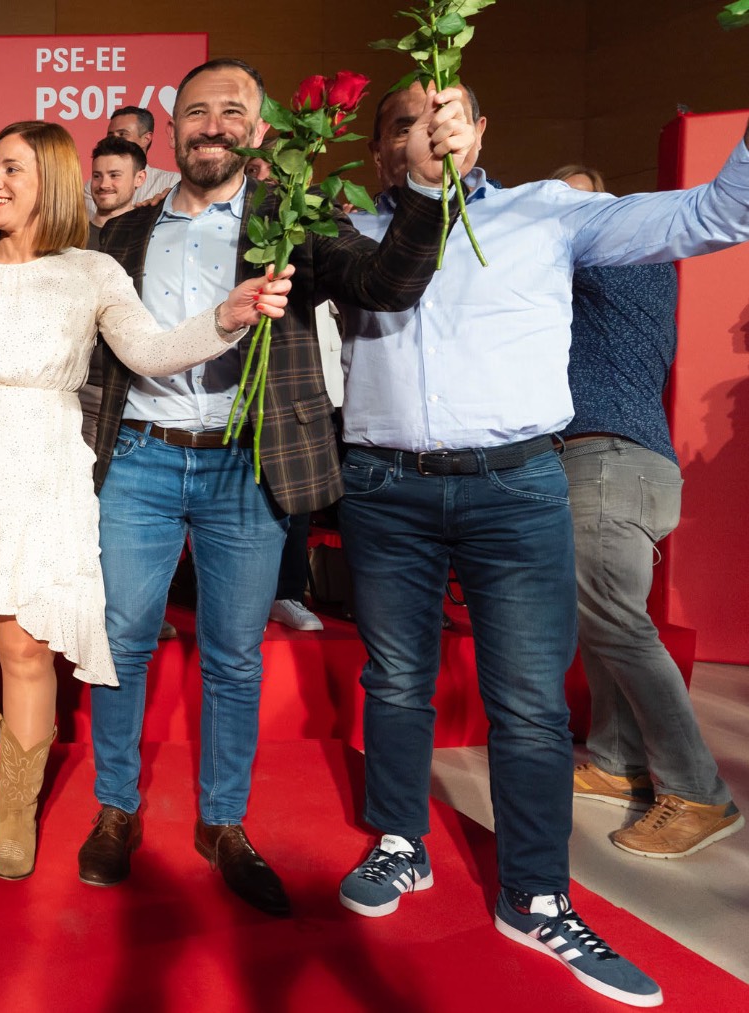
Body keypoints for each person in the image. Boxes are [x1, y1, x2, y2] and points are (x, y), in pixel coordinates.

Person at [333, 81, 749, 1009]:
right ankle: (401, 843)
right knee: (393, 678)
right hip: (384, 486)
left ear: (481, 131)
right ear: (380, 149)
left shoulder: (551, 213)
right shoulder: (350, 237)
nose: (428, 130)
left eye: (447, 116)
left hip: (517, 486)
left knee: (524, 701)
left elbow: (720, 213)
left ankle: (536, 893)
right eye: (404, 121)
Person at [75, 58, 465, 912]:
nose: (211, 125)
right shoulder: (121, 235)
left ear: (258, 131)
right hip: (137, 458)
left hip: (247, 461)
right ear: (171, 131)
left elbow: (388, 284)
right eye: (195, 112)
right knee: (121, 642)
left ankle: (222, 820)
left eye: (231, 112)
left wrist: (431, 193)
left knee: (234, 656)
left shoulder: (291, 221)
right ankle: (116, 809)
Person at [0, 119, 292, 879]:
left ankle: (18, 807)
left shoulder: (93, 272)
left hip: (47, 462)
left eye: (12, 169)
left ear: (51, 181)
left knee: (25, 644)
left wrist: (226, 317)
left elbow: (149, 352)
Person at [554, 163, 741, 858]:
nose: (560, 216)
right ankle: (614, 756)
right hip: (618, 461)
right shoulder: (623, 266)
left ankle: (699, 791)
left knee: (619, 624)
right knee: (604, 617)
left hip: (611, 460)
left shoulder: (621, 252)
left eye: (576, 200)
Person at [83, 105, 180, 216]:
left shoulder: (173, 182)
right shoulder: (94, 186)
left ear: (146, 139)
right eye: (110, 135)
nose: (115, 140)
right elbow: (97, 224)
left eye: (123, 134)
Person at [89, 135, 147, 228]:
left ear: (139, 179)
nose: (103, 185)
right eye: (97, 176)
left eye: (114, 175)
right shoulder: (71, 237)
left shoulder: (151, 235)